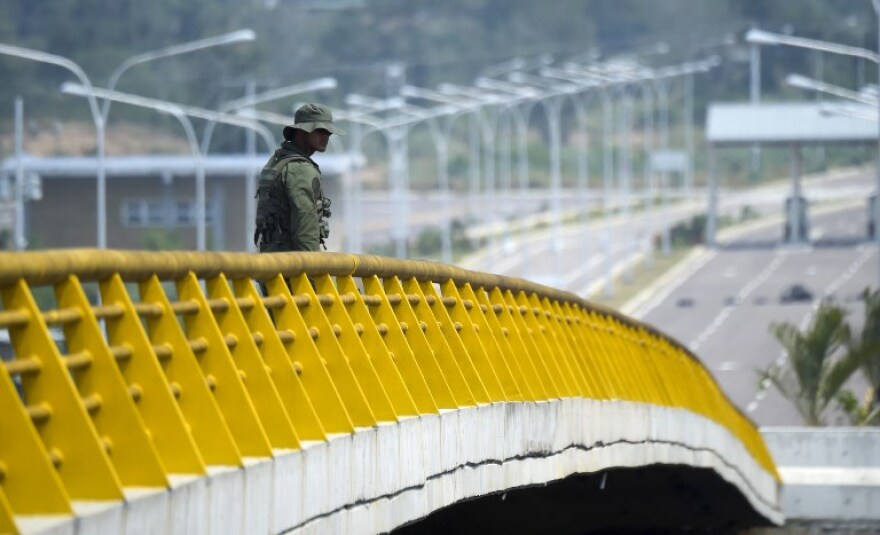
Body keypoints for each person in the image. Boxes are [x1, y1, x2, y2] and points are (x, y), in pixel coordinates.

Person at [253, 103, 343, 252]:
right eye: (320, 130)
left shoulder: (278, 161)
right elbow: (305, 231)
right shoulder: (301, 169)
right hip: (292, 268)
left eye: (328, 132)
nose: (326, 136)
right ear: (302, 131)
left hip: (272, 263)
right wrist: (314, 270)